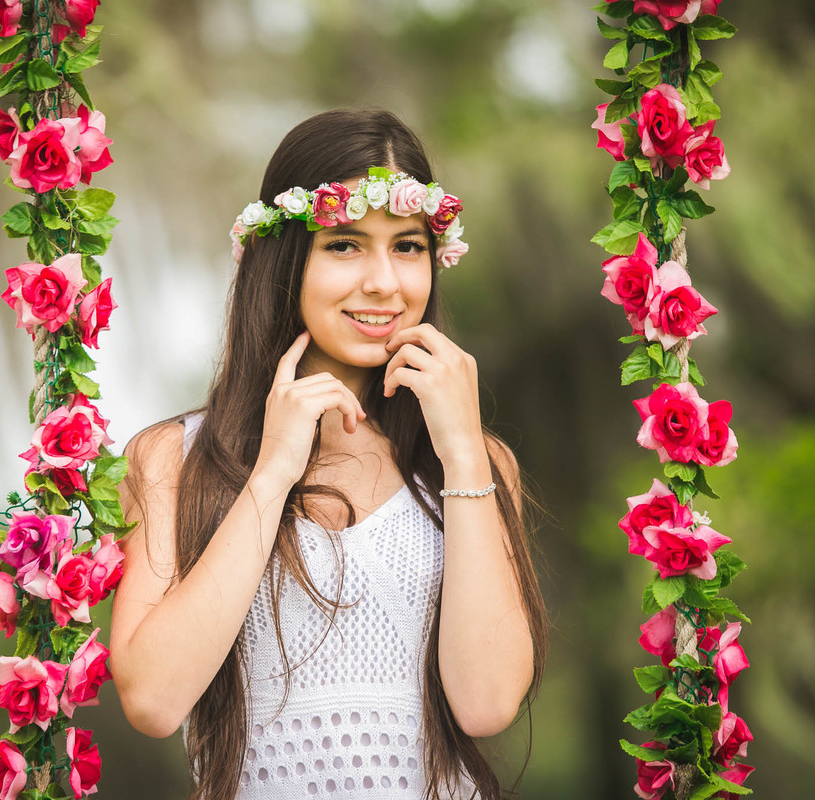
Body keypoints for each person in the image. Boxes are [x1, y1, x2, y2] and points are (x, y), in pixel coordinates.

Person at [111, 108, 548, 800]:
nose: (383, 283)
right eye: (344, 245)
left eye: (407, 247)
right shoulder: (175, 458)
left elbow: (488, 702)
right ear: (285, 259)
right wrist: (274, 471)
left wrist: (464, 456)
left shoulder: (473, 464)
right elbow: (154, 701)